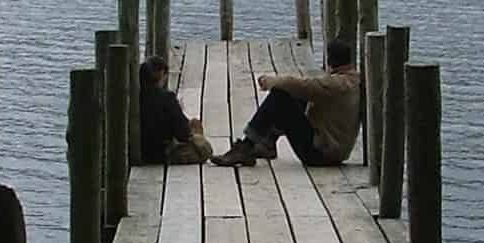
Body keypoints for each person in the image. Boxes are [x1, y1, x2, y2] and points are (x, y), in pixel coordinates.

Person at [213, 39, 361, 167]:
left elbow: (302, 85)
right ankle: (267, 143)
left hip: (321, 154)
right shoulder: (355, 80)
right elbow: (307, 88)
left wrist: (272, 82)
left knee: (281, 95)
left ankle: (246, 146)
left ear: (329, 60)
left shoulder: (336, 84)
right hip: (336, 151)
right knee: (296, 95)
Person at [138, 57, 212, 165]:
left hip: (141, 149)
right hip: (162, 154)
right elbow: (183, 134)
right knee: (204, 147)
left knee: (194, 124)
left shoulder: (135, 96)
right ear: (162, 74)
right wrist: (177, 109)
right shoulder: (167, 98)